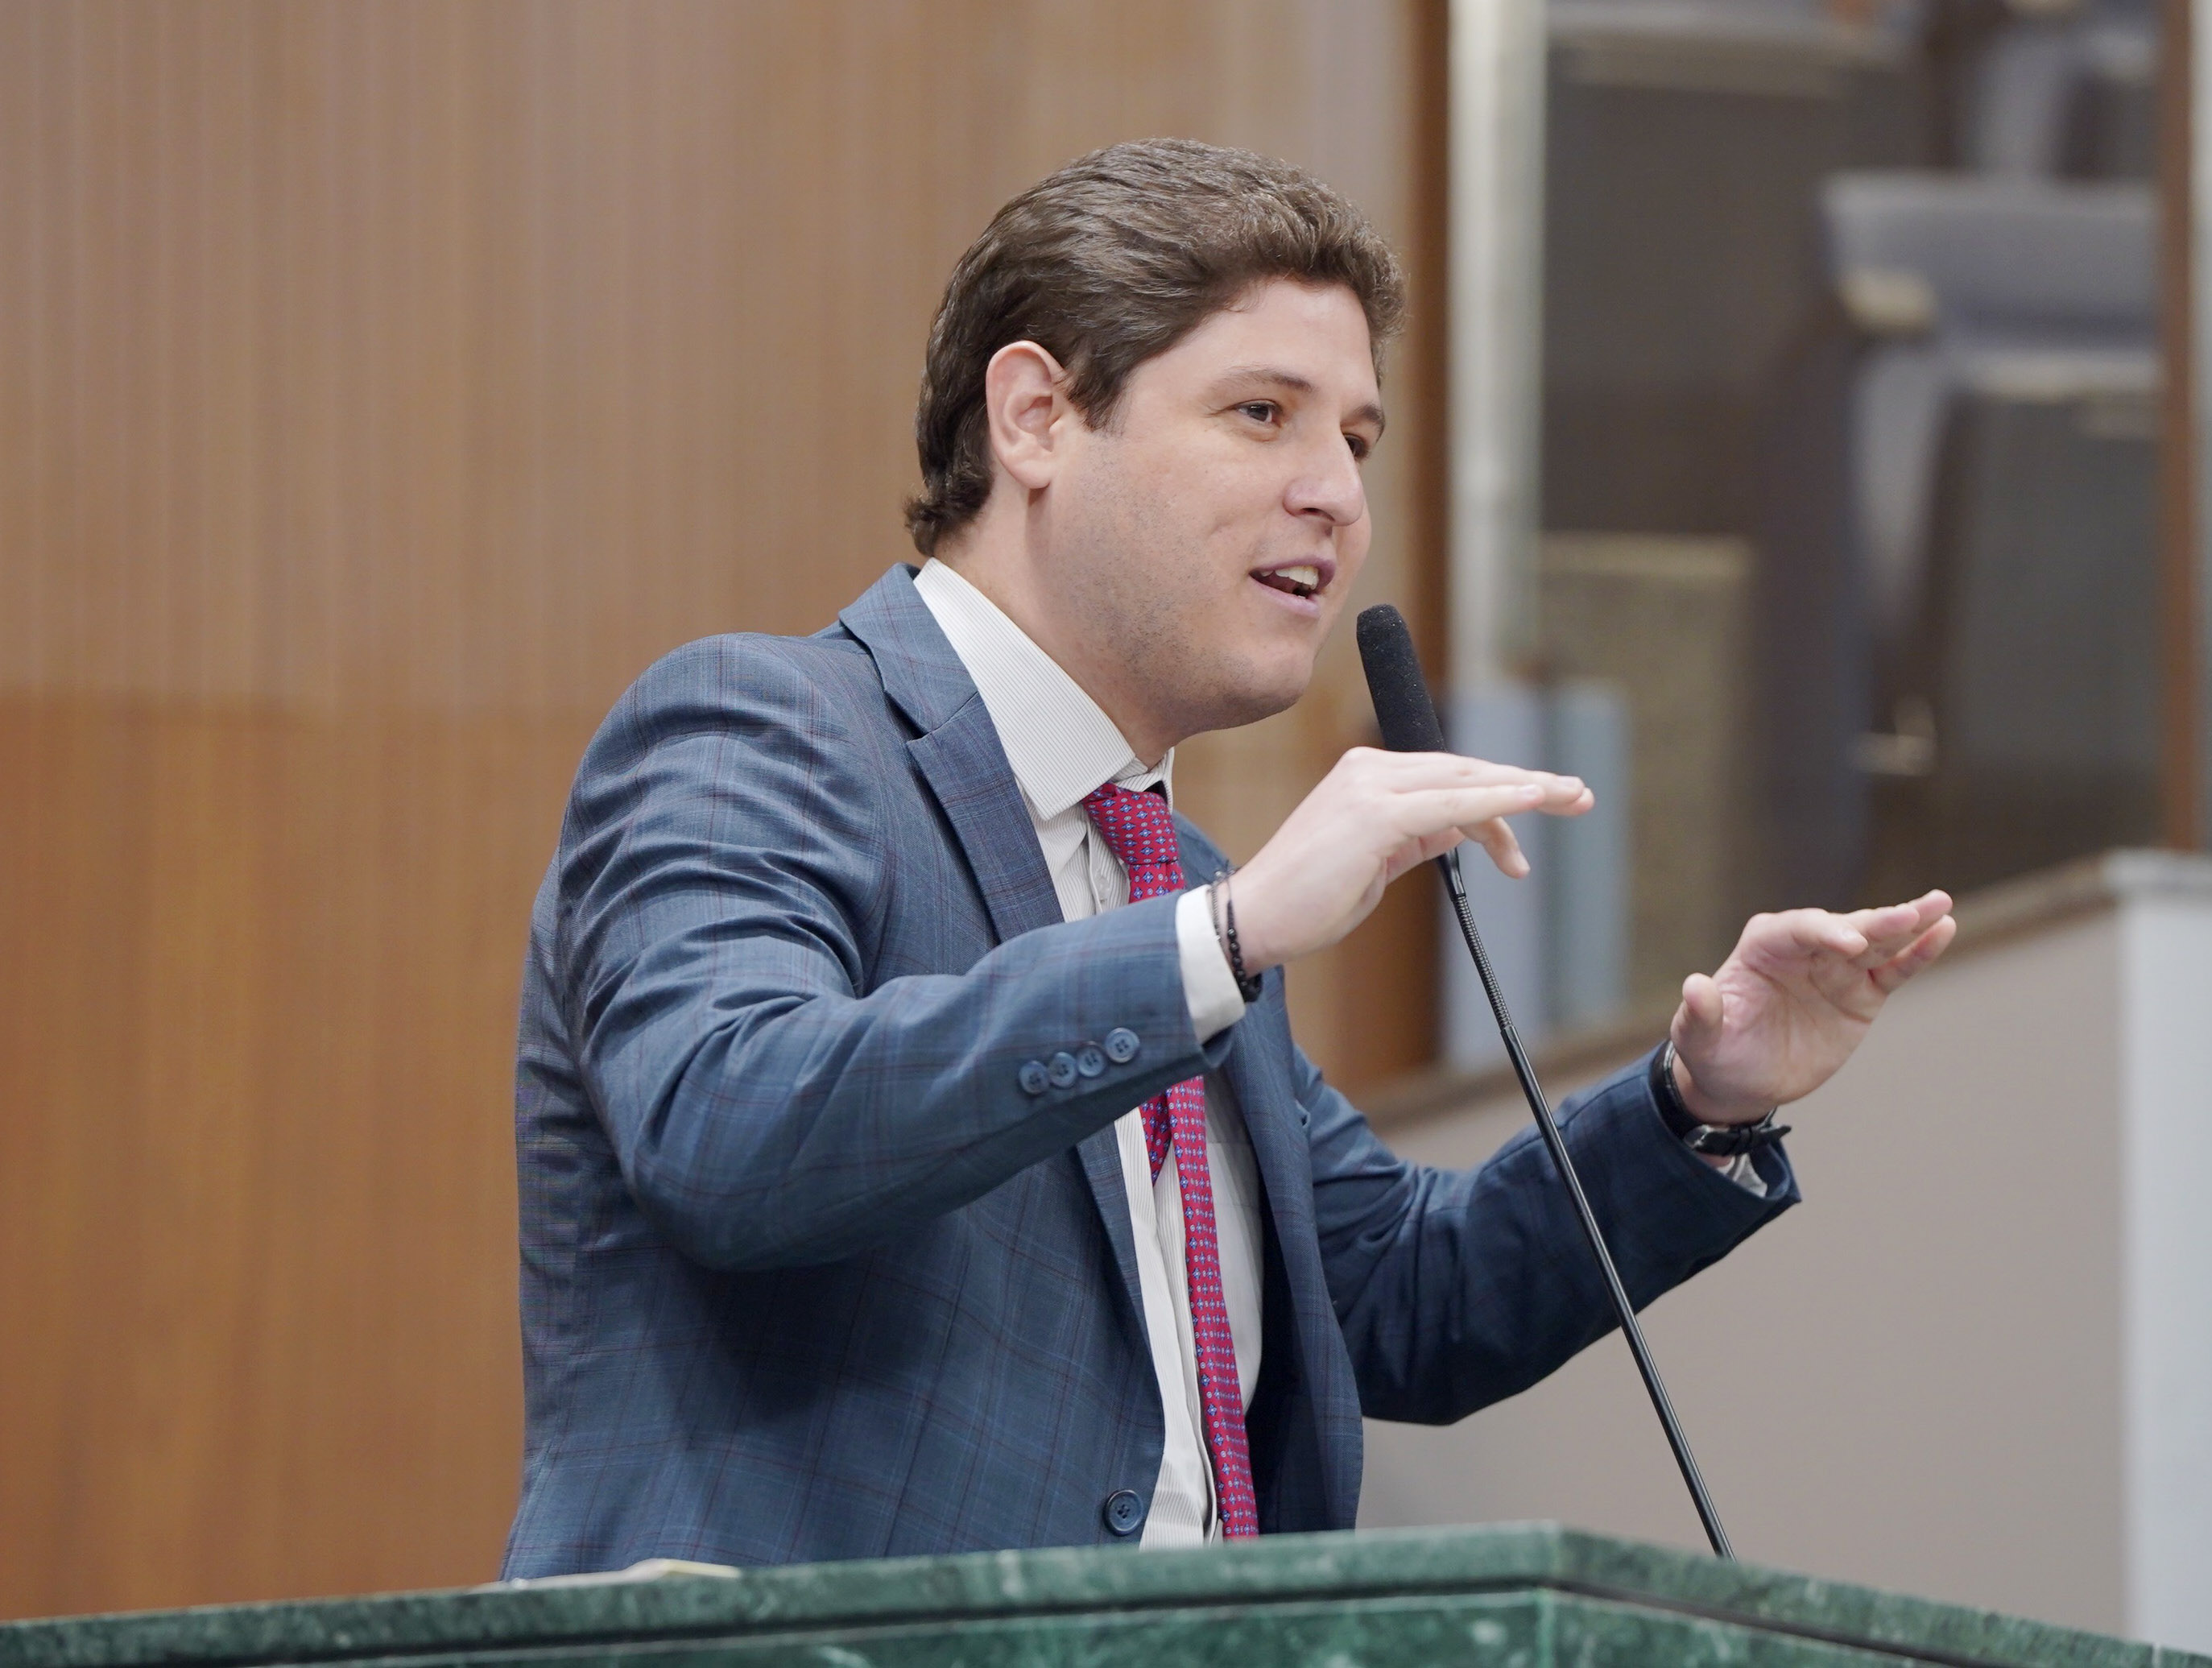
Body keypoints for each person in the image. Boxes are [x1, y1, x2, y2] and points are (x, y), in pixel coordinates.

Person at [500, 138, 1954, 1578]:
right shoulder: (761, 728)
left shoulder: (1172, 879)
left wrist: (1699, 1104)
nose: (1336, 495)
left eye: (1357, 441)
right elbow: (729, 1128)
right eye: (1262, 414)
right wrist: (1219, 940)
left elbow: (1399, 1294)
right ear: (1035, 419)